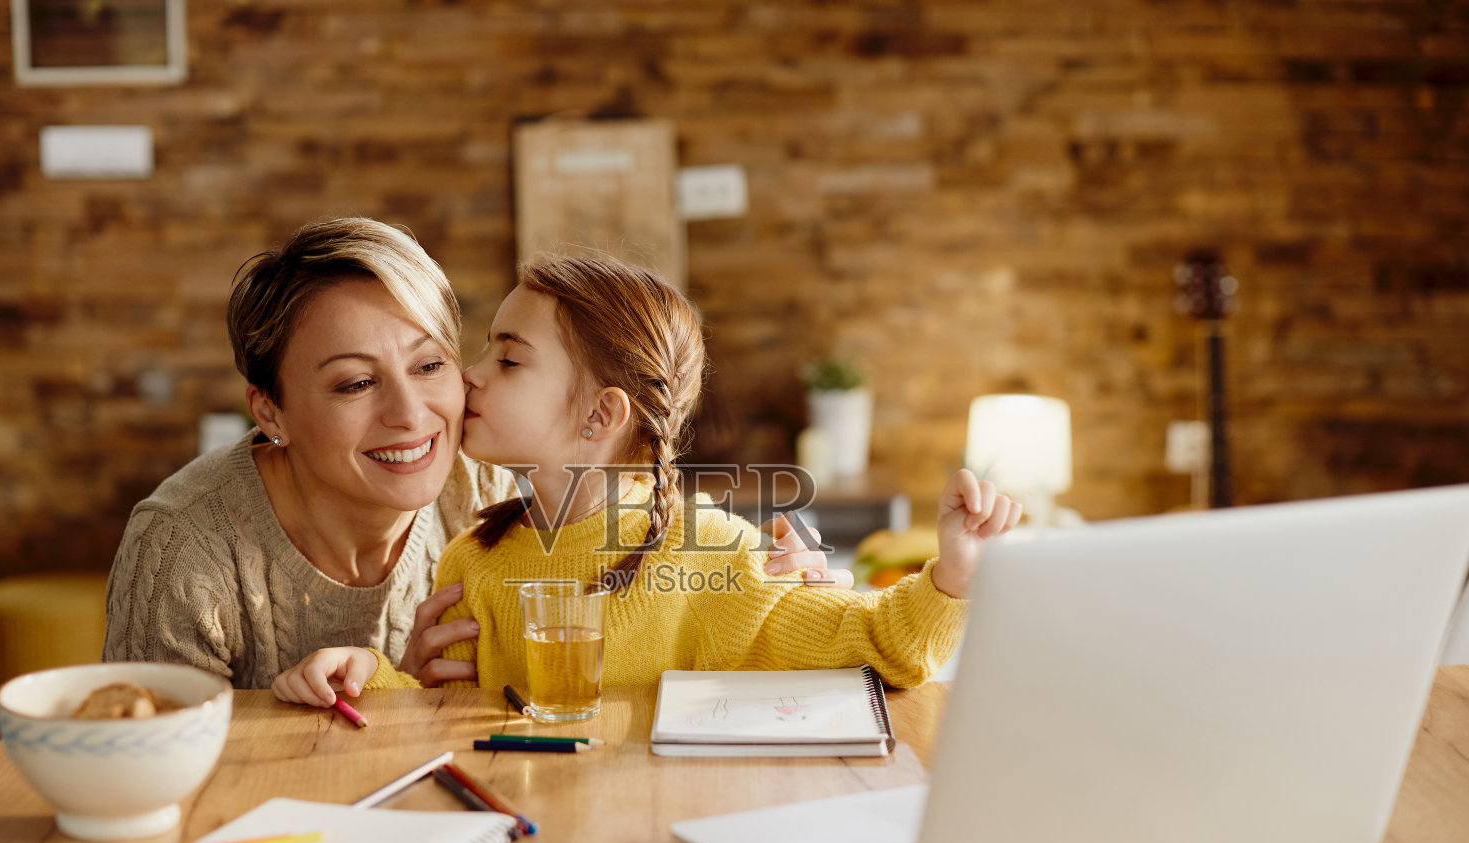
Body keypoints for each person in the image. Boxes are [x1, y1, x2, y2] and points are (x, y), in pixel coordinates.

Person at [105, 219, 838, 689]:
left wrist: (769, 577)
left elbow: (642, 541)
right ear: (270, 411)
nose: (411, 413)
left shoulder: (493, 480)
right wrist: (402, 688)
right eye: (356, 382)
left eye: (430, 365)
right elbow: (150, 770)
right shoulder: (185, 548)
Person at [271, 252, 1020, 706]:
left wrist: (954, 574)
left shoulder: (716, 557)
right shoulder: (475, 556)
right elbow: (450, 713)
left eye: (508, 358)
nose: (466, 375)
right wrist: (366, 672)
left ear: (600, 416)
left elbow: (882, 643)